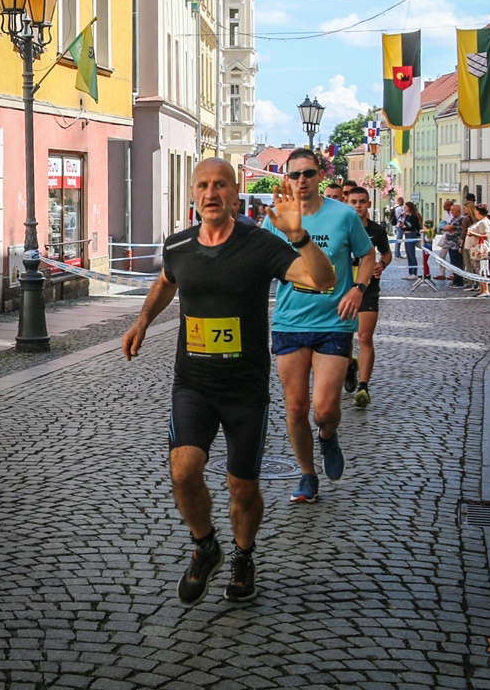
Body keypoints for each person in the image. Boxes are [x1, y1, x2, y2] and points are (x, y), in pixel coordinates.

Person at [121, 158, 335, 607]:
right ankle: (206, 546)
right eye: (203, 185)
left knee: (243, 486)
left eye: (220, 185)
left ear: (235, 195)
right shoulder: (179, 245)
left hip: (245, 389)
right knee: (183, 471)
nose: (211, 193)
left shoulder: (259, 244)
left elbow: (323, 280)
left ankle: (243, 556)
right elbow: (167, 281)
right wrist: (142, 321)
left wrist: (298, 235)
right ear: (192, 194)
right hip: (193, 383)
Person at [262, 149, 374, 503]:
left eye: (308, 173)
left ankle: (327, 436)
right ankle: (307, 475)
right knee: (296, 407)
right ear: (286, 179)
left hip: (334, 321)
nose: (302, 181)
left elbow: (367, 255)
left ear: (320, 176)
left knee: (324, 409)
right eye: (295, 175)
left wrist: (358, 288)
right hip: (290, 321)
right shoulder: (276, 218)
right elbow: (258, 264)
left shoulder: (343, 215)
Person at [346, 187, 392, 408]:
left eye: (362, 202)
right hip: (344, 289)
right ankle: (349, 366)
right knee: (344, 338)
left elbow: (387, 253)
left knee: (364, 337)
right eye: (353, 202)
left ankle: (363, 386)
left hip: (368, 289)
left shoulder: (376, 230)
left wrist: (381, 264)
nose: (358, 206)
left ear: (369, 204)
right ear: (347, 203)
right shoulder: (341, 227)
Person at [465, 204, 490, 297]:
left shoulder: (484, 222)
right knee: (478, 269)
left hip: (481, 250)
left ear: (479, 212)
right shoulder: (482, 222)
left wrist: (473, 234)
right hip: (477, 250)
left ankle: (485, 290)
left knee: (482, 269)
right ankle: (482, 289)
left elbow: (487, 235)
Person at [443, 204, 465, 288]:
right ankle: (455, 280)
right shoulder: (453, 219)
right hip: (451, 245)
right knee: (453, 263)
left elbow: (448, 227)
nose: (451, 212)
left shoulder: (460, 219)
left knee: (457, 263)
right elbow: (446, 227)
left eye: (453, 210)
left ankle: (459, 281)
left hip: (456, 245)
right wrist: (447, 227)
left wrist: (448, 228)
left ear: (458, 211)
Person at [433, 199, 455, 280]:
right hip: (447, 235)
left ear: (449, 206)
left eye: (445, 205)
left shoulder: (453, 214)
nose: (443, 207)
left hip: (453, 238)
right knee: (441, 255)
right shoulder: (447, 214)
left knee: (453, 256)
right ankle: (442, 273)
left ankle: (454, 274)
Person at [401, 201, 422, 279]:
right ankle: (410, 272)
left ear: (409, 207)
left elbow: (413, 227)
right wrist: (403, 226)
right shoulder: (407, 216)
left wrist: (405, 227)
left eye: (406, 206)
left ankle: (414, 272)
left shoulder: (414, 216)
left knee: (412, 254)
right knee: (408, 254)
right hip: (407, 234)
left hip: (411, 234)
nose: (404, 208)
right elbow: (406, 225)